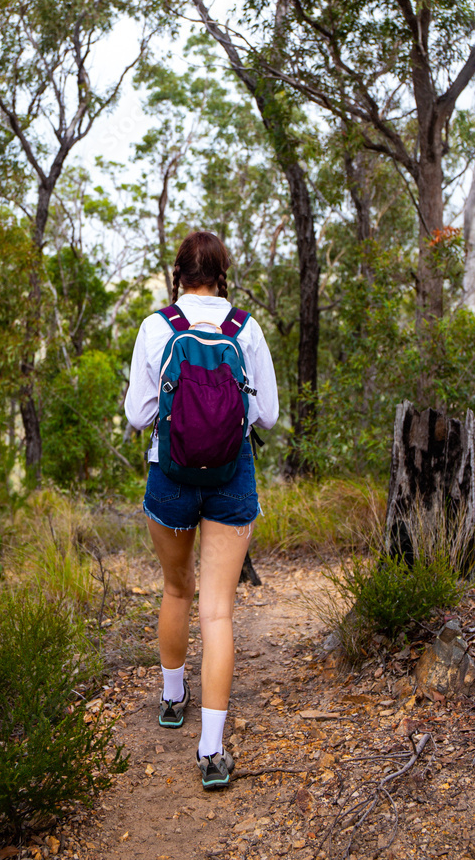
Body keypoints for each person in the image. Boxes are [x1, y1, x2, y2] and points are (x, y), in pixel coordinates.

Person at [125, 231, 279, 790]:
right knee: (217, 612)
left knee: (175, 589)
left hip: (170, 474)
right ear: (222, 272)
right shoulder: (245, 328)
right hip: (232, 476)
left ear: (178, 273)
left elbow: (141, 414)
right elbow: (269, 416)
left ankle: (172, 699)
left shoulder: (156, 326)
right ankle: (211, 752)